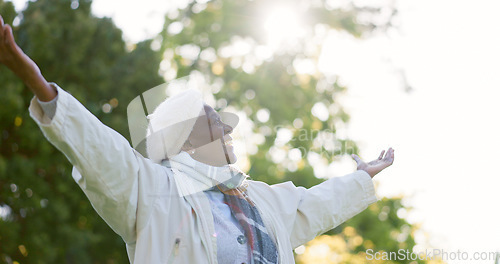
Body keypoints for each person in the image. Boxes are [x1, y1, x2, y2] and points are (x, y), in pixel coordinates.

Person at [0, 14, 395, 264]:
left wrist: (363, 177)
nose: (227, 128)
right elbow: (101, 151)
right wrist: (38, 83)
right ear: (184, 140)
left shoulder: (259, 198)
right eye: (213, 120)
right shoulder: (152, 192)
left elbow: (316, 203)